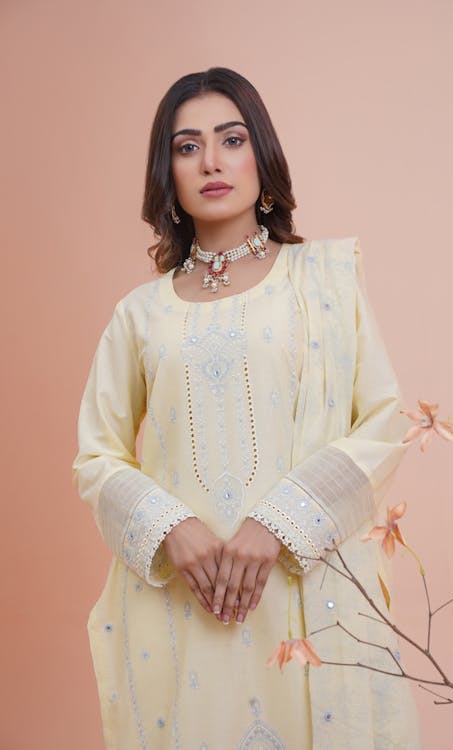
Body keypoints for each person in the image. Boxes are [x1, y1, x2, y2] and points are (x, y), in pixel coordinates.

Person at [72, 67, 421, 750]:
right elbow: (96, 454)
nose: (210, 162)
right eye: (186, 146)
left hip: (309, 588)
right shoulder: (141, 315)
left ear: (261, 153)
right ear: (165, 173)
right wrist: (172, 529)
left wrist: (279, 523)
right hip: (184, 606)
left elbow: (382, 421)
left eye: (231, 139)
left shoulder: (325, 283)